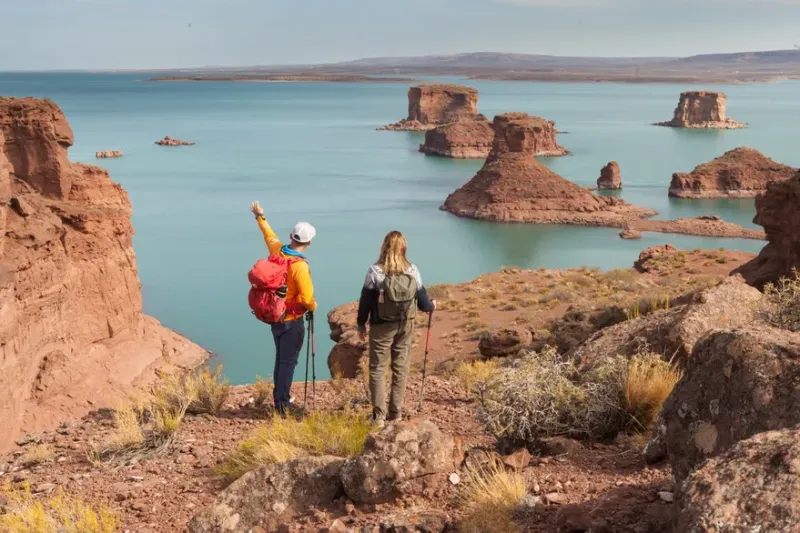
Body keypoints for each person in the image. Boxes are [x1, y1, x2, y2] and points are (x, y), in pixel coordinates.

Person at [356, 231, 436, 427]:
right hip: (405, 325)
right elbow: (424, 304)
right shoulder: (412, 270)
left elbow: (365, 301)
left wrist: (360, 324)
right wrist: (433, 305)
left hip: (381, 325)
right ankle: (396, 412)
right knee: (400, 367)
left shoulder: (375, 271)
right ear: (404, 248)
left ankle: (379, 417)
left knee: (377, 368)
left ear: (384, 247)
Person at [251, 201, 317, 416]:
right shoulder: (299, 266)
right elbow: (307, 297)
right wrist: (313, 306)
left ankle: (279, 398)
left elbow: (268, 235)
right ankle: (282, 406)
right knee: (288, 362)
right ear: (309, 242)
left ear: (291, 236)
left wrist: (260, 216)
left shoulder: (277, 251)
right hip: (291, 320)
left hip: (274, 317)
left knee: (281, 358)